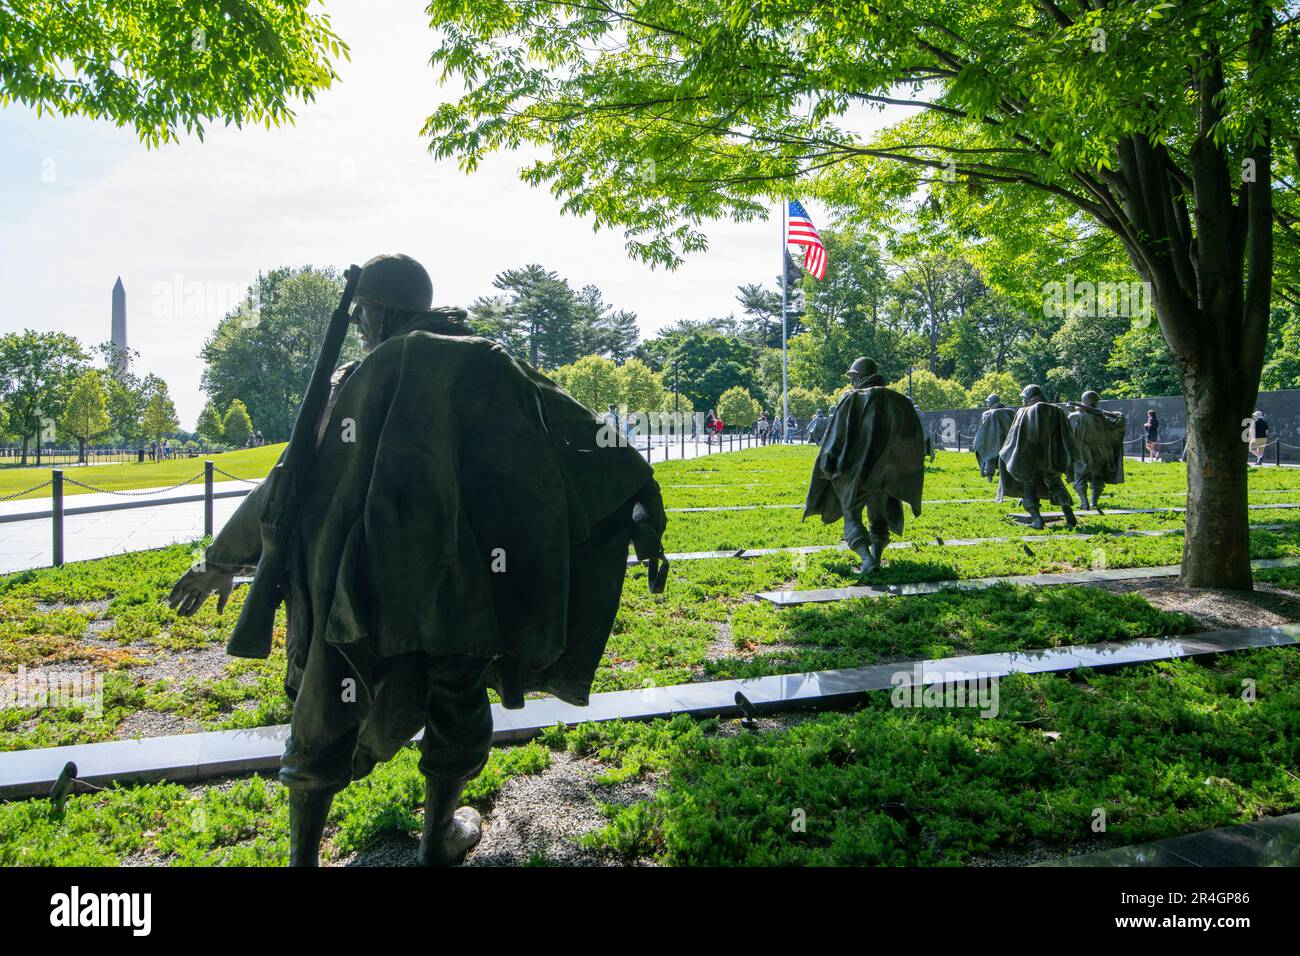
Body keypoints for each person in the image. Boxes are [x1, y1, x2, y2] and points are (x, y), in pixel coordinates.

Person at [166, 253, 668, 867]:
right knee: (455, 701)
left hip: (359, 583)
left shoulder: (358, 377)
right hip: (460, 584)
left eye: (361, 315)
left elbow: (288, 483)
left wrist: (221, 558)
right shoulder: (486, 362)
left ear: (377, 311)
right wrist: (642, 503)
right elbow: (581, 433)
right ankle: (436, 841)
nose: (359, 327)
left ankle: (301, 859)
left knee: (326, 706)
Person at [804, 357, 925, 574]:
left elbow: (836, 434)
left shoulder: (852, 398)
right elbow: (912, 438)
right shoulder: (900, 400)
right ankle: (877, 557)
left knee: (851, 513)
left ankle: (867, 560)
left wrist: (827, 461)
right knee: (880, 514)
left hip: (856, 471)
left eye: (852, 378)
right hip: (889, 472)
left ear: (859, 377)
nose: (851, 382)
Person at [997, 384, 1081, 529]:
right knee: (1055, 484)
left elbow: (1014, 438)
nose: (1023, 402)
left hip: (1029, 459)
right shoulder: (1058, 411)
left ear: (1031, 396)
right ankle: (1069, 516)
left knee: (1027, 488)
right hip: (1051, 459)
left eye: (1025, 398)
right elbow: (1067, 437)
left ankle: (1037, 520)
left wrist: (1005, 455)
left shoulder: (1024, 412)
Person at [1067, 390, 1126, 510]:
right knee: (1097, 477)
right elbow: (1117, 425)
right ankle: (1093, 502)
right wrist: (1119, 416)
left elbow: (1066, 436)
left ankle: (1085, 502)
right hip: (1100, 453)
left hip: (1081, 454)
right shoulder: (1100, 418)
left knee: (1080, 476)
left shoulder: (1074, 417)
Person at [972, 393, 1015, 482]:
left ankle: (989, 478)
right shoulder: (1008, 412)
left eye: (988, 402)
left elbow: (982, 428)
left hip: (991, 441)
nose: (987, 404)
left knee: (989, 459)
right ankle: (1004, 478)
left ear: (991, 402)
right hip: (1006, 441)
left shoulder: (987, 414)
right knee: (1004, 459)